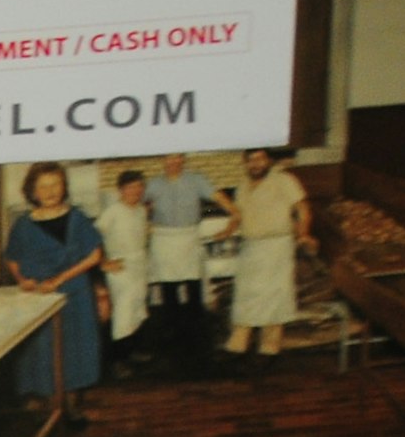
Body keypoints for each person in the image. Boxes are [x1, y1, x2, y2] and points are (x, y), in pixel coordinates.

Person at [3, 163, 107, 403]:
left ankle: (71, 405)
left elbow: (95, 256)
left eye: (56, 184)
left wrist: (60, 279)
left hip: (76, 295)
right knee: (41, 351)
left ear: (64, 187)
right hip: (39, 297)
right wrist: (23, 280)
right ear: (32, 191)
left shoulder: (77, 218)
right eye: (43, 186)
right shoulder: (23, 224)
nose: (50, 191)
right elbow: (12, 258)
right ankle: (47, 406)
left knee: (76, 349)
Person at [226, 146, 315, 356]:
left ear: (268, 161)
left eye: (259, 159)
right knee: (245, 294)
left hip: (277, 246)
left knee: (275, 297)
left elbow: (303, 210)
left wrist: (303, 234)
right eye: (251, 160)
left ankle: (269, 348)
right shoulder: (243, 186)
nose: (255, 164)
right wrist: (228, 229)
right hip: (251, 247)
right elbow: (239, 217)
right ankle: (238, 347)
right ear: (245, 163)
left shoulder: (284, 180)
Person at [144, 151, 218, 351]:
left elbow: (221, 199)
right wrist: (145, 221)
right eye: (168, 157)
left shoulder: (197, 180)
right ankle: (173, 339)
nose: (173, 162)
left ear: (183, 159)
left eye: (177, 157)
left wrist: (234, 218)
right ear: (162, 160)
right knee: (169, 290)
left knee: (193, 287)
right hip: (164, 240)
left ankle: (196, 339)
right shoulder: (153, 184)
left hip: (188, 238)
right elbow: (138, 206)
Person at [97, 168, 152, 351]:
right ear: (120, 190)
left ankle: (134, 352)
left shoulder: (141, 211)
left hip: (139, 265)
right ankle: (119, 357)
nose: (135, 191)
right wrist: (104, 262)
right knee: (123, 310)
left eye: (139, 186)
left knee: (137, 308)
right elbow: (94, 237)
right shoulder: (112, 212)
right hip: (120, 267)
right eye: (130, 187)